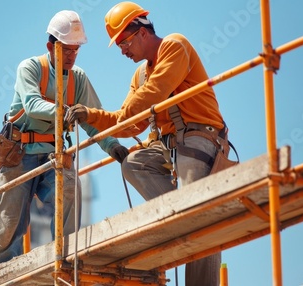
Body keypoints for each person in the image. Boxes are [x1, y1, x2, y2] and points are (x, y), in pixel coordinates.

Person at [66, 2, 231, 285]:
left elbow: (152, 95)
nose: (122, 50)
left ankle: (190, 229)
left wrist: (119, 113)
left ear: (142, 32)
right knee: (133, 163)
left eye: (124, 42)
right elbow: (132, 124)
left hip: (198, 139)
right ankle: (177, 220)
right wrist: (90, 115)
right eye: (118, 45)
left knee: (200, 216)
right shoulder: (140, 74)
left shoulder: (175, 47)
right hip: (167, 146)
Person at [0, 10, 129, 265]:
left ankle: (64, 259)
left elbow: (92, 120)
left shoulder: (78, 78)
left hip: (52, 153)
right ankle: (3, 275)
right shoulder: (31, 68)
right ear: (50, 46)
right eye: (66, 49)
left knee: (69, 190)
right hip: (18, 155)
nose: (71, 55)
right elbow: (32, 105)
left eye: (76, 49)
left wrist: (112, 146)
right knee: (9, 225)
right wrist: (65, 112)